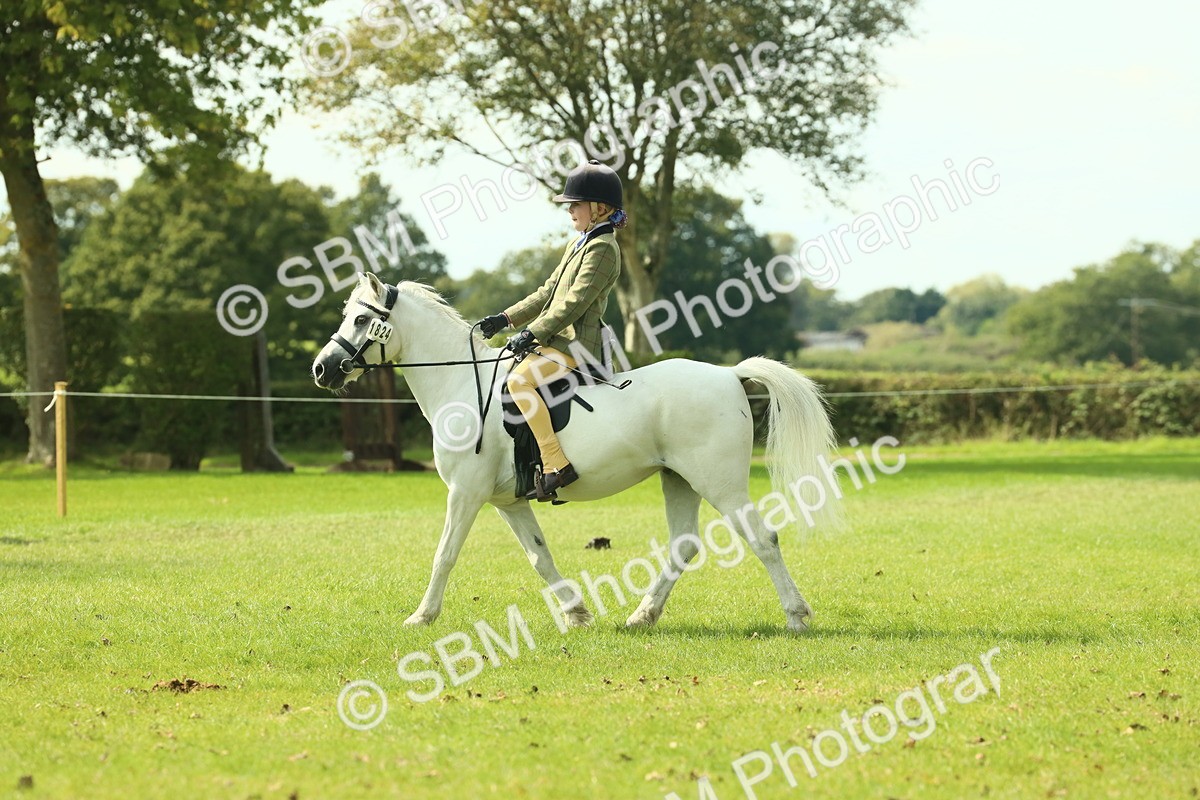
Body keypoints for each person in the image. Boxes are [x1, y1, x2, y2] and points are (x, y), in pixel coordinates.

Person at [477, 159, 627, 502]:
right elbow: (547, 292)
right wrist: (505, 318)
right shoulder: (579, 243)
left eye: (576, 204)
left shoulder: (604, 249)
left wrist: (532, 333)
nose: (570, 210)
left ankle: (555, 463)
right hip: (556, 340)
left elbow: (573, 303)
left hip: (576, 345)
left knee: (519, 381)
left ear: (600, 209)